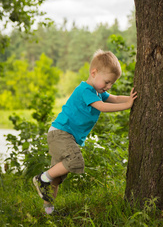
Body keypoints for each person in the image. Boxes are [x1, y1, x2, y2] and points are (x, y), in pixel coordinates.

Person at [33, 49, 137, 214]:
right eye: (107, 82)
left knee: (57, 177)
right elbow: (101, 107)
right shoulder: (85, 91)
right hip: (61, 133)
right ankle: (41, 179)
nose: (109, 87)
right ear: (94, 73)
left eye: (112, 84)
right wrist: (128, 106)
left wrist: (133, 98)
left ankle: (48, 211)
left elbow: (115, 98)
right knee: (75, 161)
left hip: (64, 135)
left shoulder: (97, 91)